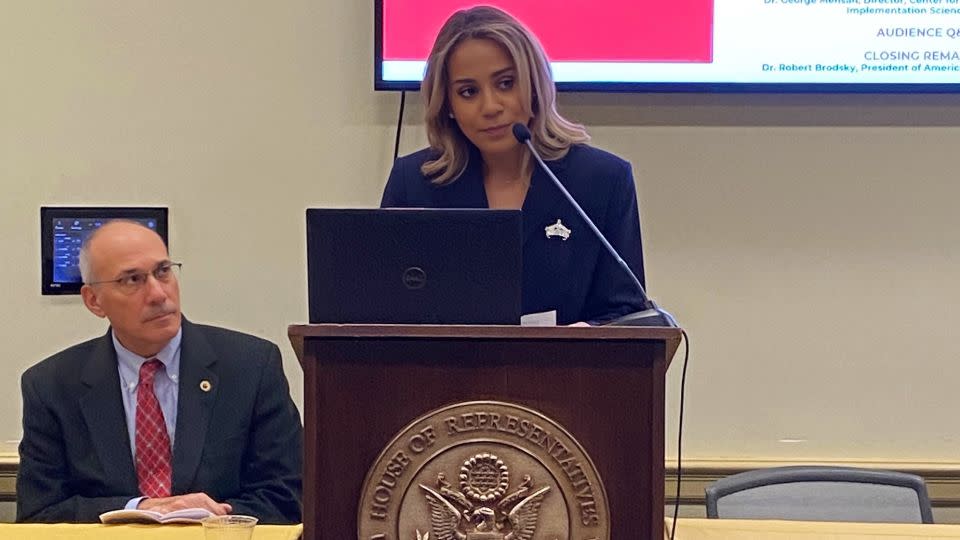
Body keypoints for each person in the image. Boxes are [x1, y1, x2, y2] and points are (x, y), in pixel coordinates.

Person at [17, 221, 302, 524]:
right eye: (132, 280)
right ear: (93, 301)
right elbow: (40, 513)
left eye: (163, 271)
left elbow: (286, 498)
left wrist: (195, 520)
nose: (157, 294)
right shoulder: (52, 385)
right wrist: (142, 509)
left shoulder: (251, 367)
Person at [380, 6, 647, 325]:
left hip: (565, 372)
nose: (491, 106)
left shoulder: (602, 180)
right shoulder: (414, 184)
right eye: (468, 92)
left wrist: (584, 336)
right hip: (443, 372)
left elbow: (630, 314)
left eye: (506, 83)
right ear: (447, 105)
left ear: (534, 84)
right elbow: (384, 312)